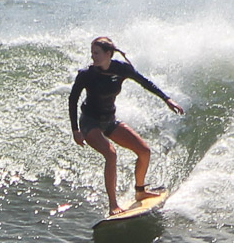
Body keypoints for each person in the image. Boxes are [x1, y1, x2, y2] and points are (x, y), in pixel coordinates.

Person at [69, 36, 184, 215]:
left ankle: (140, 191)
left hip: (109, 120)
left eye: (97, 53)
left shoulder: (121, 69)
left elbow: (145, 82)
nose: (93, 57)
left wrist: (166, 99)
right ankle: (113, 205)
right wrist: (75, 130)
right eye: (92, 53)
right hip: (89, 122)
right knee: (111, 154)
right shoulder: (87, 74)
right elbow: (72, 100)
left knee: (144, 151)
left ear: (108, 54)